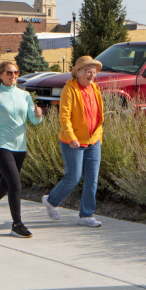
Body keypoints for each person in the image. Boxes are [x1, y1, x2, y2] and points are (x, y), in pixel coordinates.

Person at [0, 61, 43, 239]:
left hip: (20, 147)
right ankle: (17, 224)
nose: (13, 76)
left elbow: (33, 122)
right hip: (1, 144)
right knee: (15, 184)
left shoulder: (25, 95)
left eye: (16, 72)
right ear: (1, 75)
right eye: (9, 73)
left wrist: (37, 116)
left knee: (6, 184)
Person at [42, 55, 104, 228]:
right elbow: (64, 117)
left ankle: (86, 215)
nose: (91, 75)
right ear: (78, 73)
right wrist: (71, 137)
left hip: (93, 141)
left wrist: (99, 136)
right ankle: (52, 201)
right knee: (73, 177)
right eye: (87, 71)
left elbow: (99, 116)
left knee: (92, 179)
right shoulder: (69, 89)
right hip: (73, 141)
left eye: (93, 72)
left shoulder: (96, 89)